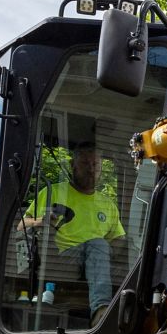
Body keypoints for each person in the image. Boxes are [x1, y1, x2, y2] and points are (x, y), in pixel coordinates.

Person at [23, 128, 126, 308]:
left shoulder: (107, 204)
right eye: (85, 163)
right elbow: (21, 225)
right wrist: (40, 221)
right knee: (98, 244)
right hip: (61, 259)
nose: (91, 169)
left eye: (95, 164)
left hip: (96, 261)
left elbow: (118, 239)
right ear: (72, 165)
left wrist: (110, 253)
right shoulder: (53, 192)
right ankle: (102, 309)